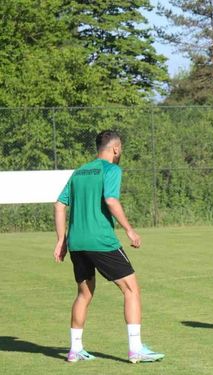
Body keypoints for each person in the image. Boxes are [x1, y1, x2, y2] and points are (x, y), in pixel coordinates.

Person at [53, 130, 164, 363]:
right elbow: (111, 200)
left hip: (77, 243)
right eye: (120, 148)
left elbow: (60, 204)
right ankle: (136, 349)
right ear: (115, 148)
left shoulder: (80, 171)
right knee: (131, 289)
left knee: (84, 293)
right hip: (101, 241)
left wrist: (61, 240)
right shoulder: (111, 169)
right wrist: (129, 230)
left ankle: (75, 350)